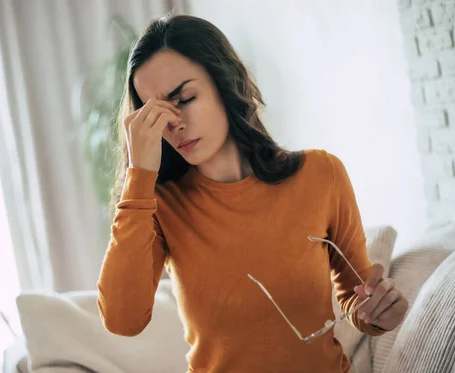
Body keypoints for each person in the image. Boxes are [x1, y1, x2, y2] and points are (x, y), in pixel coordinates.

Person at [97, 13, 408, 373]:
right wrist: (139, 176)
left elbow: (357, 300)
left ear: (225, 82)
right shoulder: (160, 206)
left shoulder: (322, 175)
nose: (173, 123)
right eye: (155, 114)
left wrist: (380, 313)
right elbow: (122, 320)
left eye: (183, 98)